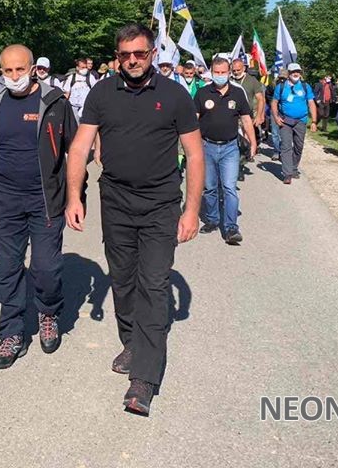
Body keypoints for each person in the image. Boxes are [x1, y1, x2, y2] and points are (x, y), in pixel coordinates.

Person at [65, 22, 205, 417]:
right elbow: (80, 147)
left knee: (154, 285)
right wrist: (74, 196)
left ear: (152, 54)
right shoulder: (101, 93)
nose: (132, 61)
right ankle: (132, 341)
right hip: (116, 202)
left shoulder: (175, 95)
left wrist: (191, 210)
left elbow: (195, 154)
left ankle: (144, 376)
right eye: (125, 55)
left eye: (140, 53)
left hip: (161, 203)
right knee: (123, 280)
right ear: (117, 57)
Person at [0, 45, 79, 368]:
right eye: (8, 71)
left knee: (46, 269)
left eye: (20, 69)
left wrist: (76, 197)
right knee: (7, 270)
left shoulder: (55, 103)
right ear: (1, 71)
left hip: (45, 201)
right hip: (5, 201)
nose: (14, 76)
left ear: (33, 69)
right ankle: (11, 332)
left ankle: (48, 313)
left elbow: (76, 151)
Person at [194, 57, 254, 245]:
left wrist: (253, 142)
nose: (220, 75)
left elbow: (246, 119)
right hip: (207, 147)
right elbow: (194, 119)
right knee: (210, 187)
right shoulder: (202, 93)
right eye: (216, 72)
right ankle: (212, 219)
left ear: (229, 73)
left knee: (229, 187)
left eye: (223, 72)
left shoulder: (237, 93)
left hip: (230, 148)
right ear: (211, 72)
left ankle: (231, 227)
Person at [270, 62, 317, 185]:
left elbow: (311, 103)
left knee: (298, 146)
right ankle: (287, 173)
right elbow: (274, 102)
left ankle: (294, 167)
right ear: (288, 73)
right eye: (293, 72)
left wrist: (314, 121)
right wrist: (276, 117)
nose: (296, 74)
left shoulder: (305, 86)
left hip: (301, 120)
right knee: (286, 146)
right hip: (285, 121)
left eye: (298, 72)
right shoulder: (281, 87)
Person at [229, 58, 265, 161]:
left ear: (244, 68)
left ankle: (246, 156)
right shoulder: (229, 80)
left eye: (238, 70)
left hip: (247, 114)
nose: (236, 72)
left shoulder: (252, 81)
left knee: (246, 137)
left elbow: (260, 99)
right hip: (232, 114)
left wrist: (259, 116)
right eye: (234, 70)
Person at [61, 57, 98, 122]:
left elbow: (96, 92)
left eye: (85, 67)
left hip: (86, 108)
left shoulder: (90, 77)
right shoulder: (71, 78)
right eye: (82, 67)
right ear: (77, 67)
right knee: (73, 125)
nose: (85, 69)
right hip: (73, 108)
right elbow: (67, 93)